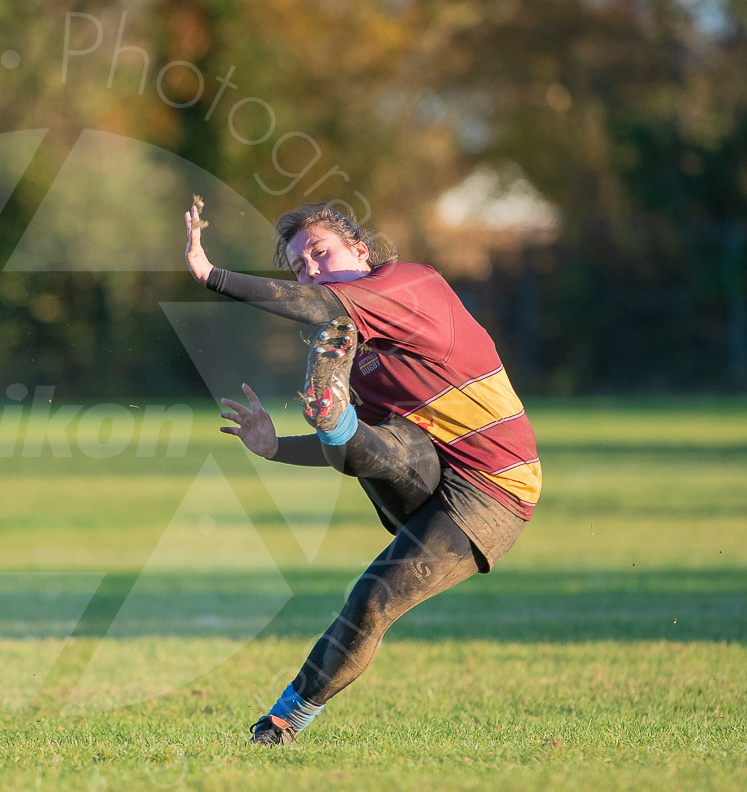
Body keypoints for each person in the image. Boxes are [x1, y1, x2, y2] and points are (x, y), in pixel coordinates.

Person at [183, 200, 541, 745]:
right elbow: (358, 453)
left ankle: (282, 722)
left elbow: (316, 305)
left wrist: (213, 277)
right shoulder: (362, 347)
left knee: (372, 599)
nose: (312, 270)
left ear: (361, 251)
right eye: (301, 266)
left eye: (321, 254)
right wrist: (275, 446)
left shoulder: (411, 284)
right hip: (418, 473)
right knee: (361, 434)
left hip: (493, 489)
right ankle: (334, 416)